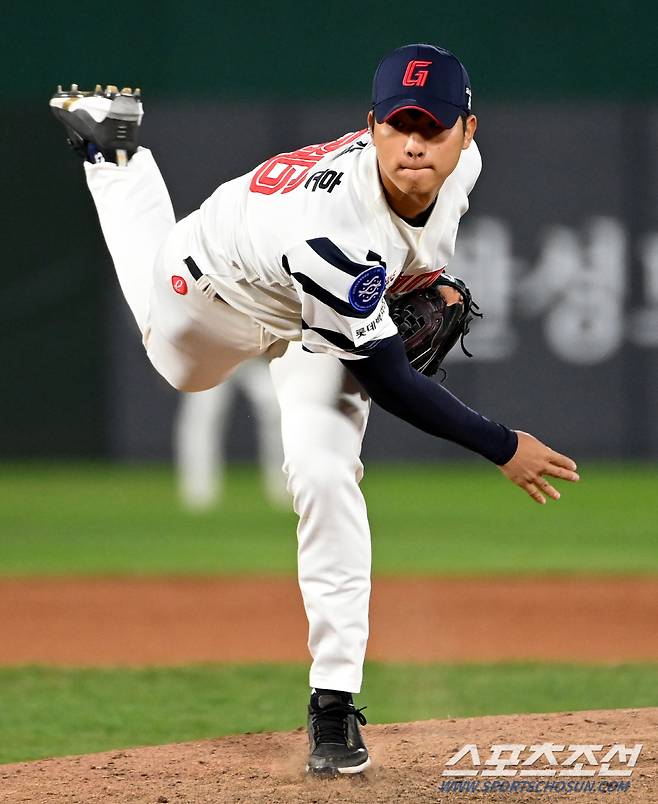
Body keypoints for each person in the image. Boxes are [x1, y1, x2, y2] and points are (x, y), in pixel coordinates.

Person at [49, 43, 579, 776]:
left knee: (326, 477)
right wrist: (500, 444)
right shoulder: (337, 225)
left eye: (434, 125)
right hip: (216, 290)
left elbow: (408, 267)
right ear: (372, 126)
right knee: (177, 368)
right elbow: (391, 379)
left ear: (469, 132)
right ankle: (115, 158)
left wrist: (439, 285)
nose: (416, 142)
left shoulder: (458, 175)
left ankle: (333, 707)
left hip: (318, 324)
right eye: (400, 124)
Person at [174, 359, 289, 511]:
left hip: (251, 357)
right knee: (202, 414)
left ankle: (283, 484)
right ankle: (198, 489)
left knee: (275, 408)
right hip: (215, 358)